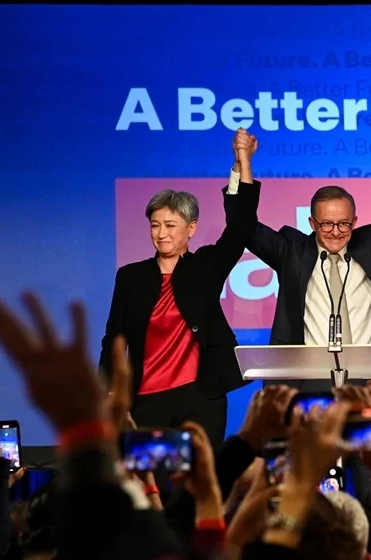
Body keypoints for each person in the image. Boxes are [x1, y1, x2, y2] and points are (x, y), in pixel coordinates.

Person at [224, 131, 371, 393]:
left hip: (370, 382)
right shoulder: (291, 251)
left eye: (344, 223)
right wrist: (242, 164)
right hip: (309, 383)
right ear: (312, 223)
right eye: (326, 224)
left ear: (354, 221)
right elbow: (242, 227)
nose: (336, 231)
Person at [99, 131, 261, 448]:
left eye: (170, 225)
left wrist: (242, 161)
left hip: (200, 396)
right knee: (154, 484)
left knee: (200, 483)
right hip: (145, 399)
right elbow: (114, 338)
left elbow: (241, 225)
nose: (161, 234)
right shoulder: (130, 276)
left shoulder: (205, 267)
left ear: (191, 228)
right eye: (155, 225)